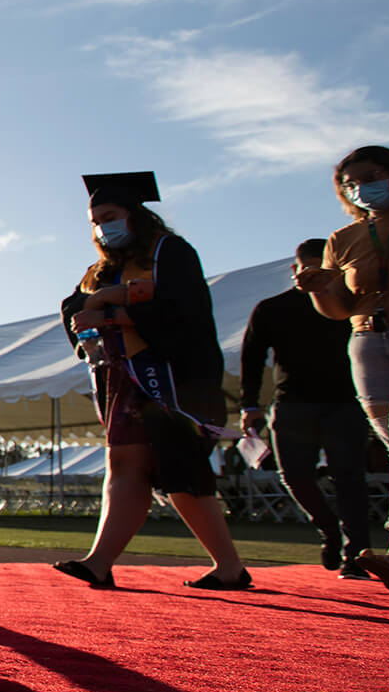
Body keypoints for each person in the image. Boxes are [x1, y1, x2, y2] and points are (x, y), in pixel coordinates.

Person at [55, 172, 251, 590]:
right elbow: (75, 307)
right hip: (120, 379)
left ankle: (229, 566)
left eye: (109, 216)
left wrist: (106, 309)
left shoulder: (171, 252)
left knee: (178, 469)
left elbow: (183, 313)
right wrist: (101, 307)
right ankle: (99, 561)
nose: (101, 228)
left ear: (134, 214)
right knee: (125, 463)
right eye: (95, 221)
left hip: (172, 377)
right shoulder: (102, 270)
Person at [296, 145, 389, 597]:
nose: (360, 188)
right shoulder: (343, 239)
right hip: (370, 346)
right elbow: (339, 309)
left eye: (370, 176)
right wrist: (320, 288)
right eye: (350, 183)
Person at [239, 237, 375, 578]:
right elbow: (252, 359)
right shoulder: (272, 309)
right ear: (294, 271)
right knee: (295, 477)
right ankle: (329, 528)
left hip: (345, 403)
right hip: (292, 404)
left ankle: (356, 554)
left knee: (349, 480)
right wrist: (249, 405)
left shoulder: (350, 306)